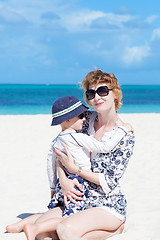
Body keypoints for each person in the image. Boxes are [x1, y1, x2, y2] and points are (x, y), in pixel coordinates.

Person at [6, 70, 135, 240]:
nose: (97, 97)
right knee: (42, 234)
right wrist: (63, 179)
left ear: (115, 94)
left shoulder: (124, 135)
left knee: (65, 229)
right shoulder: (84, 119)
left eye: (103, 91)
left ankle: (115, 229)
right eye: (91, 93)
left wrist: (77, 170)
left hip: (106, 202)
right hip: (78, 197)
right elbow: (60, 148)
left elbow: (109, 182)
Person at [47, 95, 132, 216]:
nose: (84, 119)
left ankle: (30, 226)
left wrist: (52, 188)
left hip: (63, 184)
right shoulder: (78, 137)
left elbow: (50, 164)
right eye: (80, 116)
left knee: (59, 211)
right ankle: (35, 228)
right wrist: (124, 129)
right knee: (71, 217)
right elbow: (105, 147)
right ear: (67, 120)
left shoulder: (56, 141)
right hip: (79, 183)